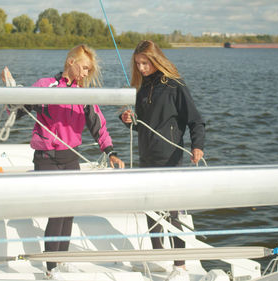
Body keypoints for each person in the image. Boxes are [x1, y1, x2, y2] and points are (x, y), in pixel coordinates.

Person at [20, 44, 125, 279]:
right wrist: (12, 97)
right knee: (57, 211)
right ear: (71, 62)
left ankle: (62, 260)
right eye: (84, 68)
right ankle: (51, 268)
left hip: (70, 158)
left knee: (69, 212)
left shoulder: (82, 95)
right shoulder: (45, 86)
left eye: (89, 70)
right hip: (47, 157)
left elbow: (97, 124)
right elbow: (17, 108)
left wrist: (110, 151)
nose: (86, 73)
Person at [120, 40, 205, 281]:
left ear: (156, 60)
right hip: (146, 155)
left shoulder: (174, 85)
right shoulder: (142, 86)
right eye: (138, 64)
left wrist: (197, 145)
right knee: (151, 208)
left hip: (170, 157)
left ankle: (180, 264)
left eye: (145, 63)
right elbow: (143, 126)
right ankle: (158, 254)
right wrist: (127, 119)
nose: (142, 67)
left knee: (172, 212)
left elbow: (195, 120)